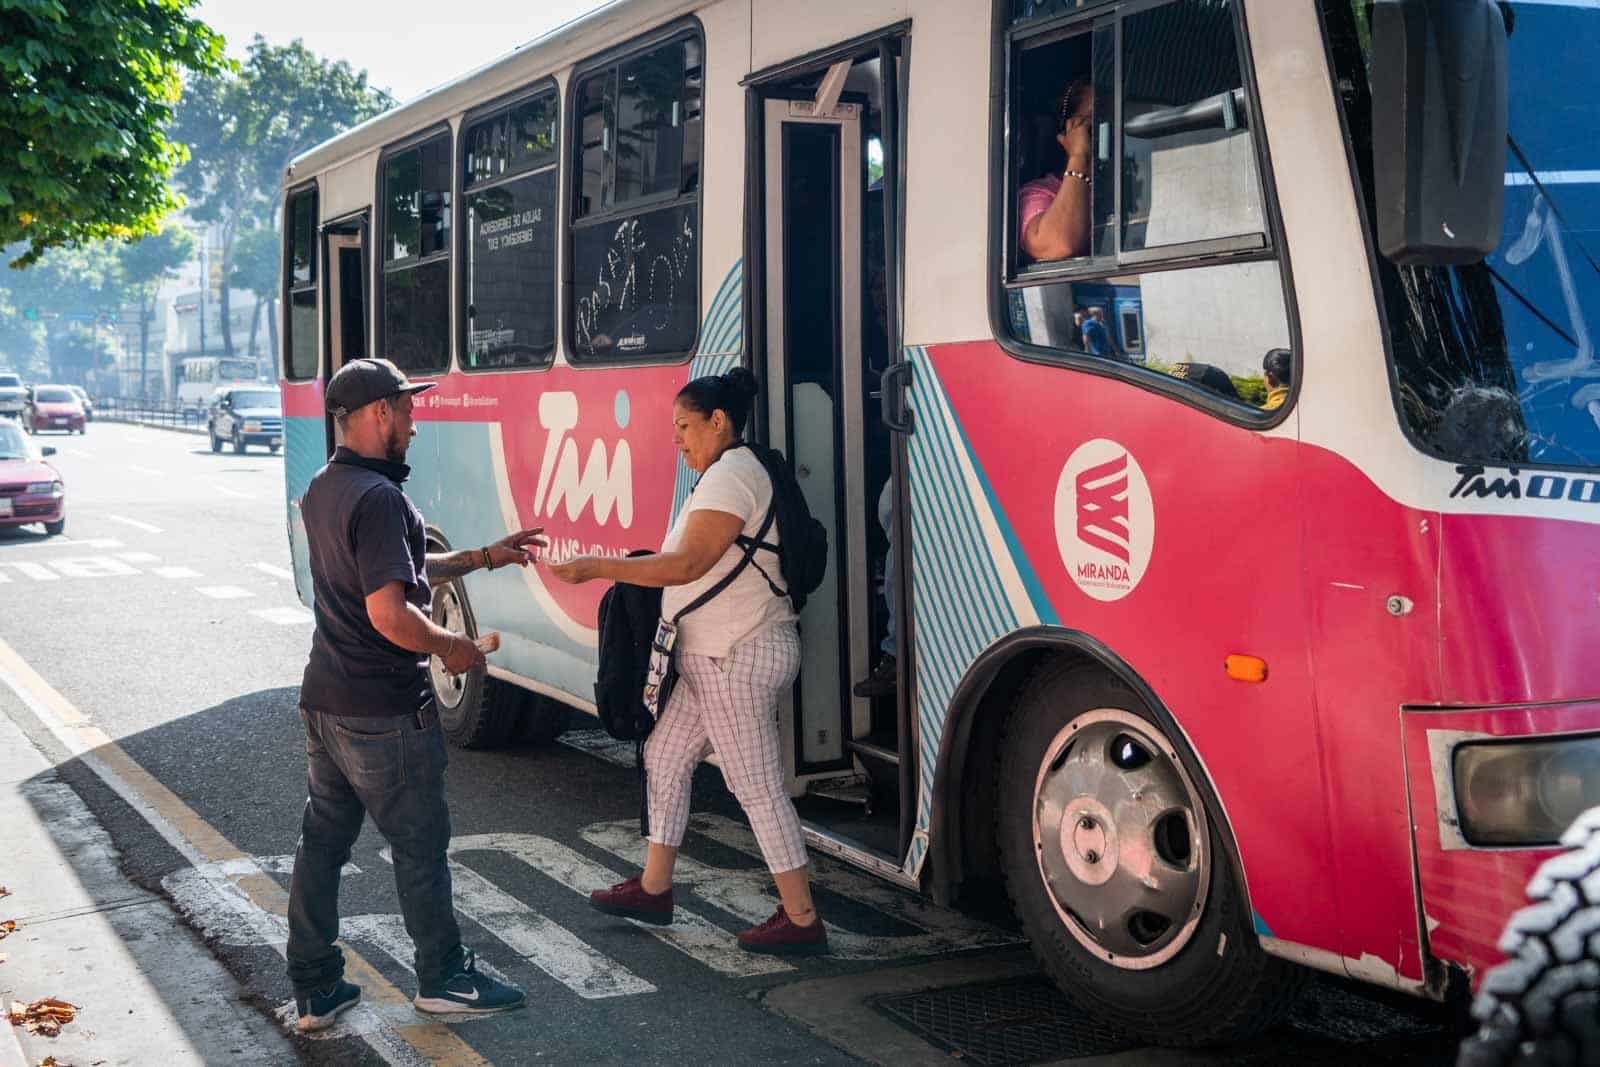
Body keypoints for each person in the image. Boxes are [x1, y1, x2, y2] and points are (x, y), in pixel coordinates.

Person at [287, 357, 545, 1030]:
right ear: (379, 413)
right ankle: (444, 976)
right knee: (420, 845)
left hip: (325, 699)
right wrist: (451, 646)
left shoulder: (326, 486)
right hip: (383, 709)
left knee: (323, 844)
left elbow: (395, 567)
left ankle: (315, 986)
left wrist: (482, 556)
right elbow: (389, 612)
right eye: (406, 408)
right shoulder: (380, 498)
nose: (414, 422)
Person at [545, 368, 827, 955]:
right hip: (711, 657)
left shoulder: (732, 476)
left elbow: (686, 565)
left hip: (735, 655)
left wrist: (599, 566)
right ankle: (654, 888)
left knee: (755, 786)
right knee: (665, 756)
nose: (676, 440)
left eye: (684, 426)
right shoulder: (734, 470)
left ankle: (802, 918)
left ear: (717, 421)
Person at [1019, 76, 1094, 264]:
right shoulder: (1039, 193)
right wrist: (1079, 157)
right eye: (1093, 123)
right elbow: (1056, 244)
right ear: (1066, 133)